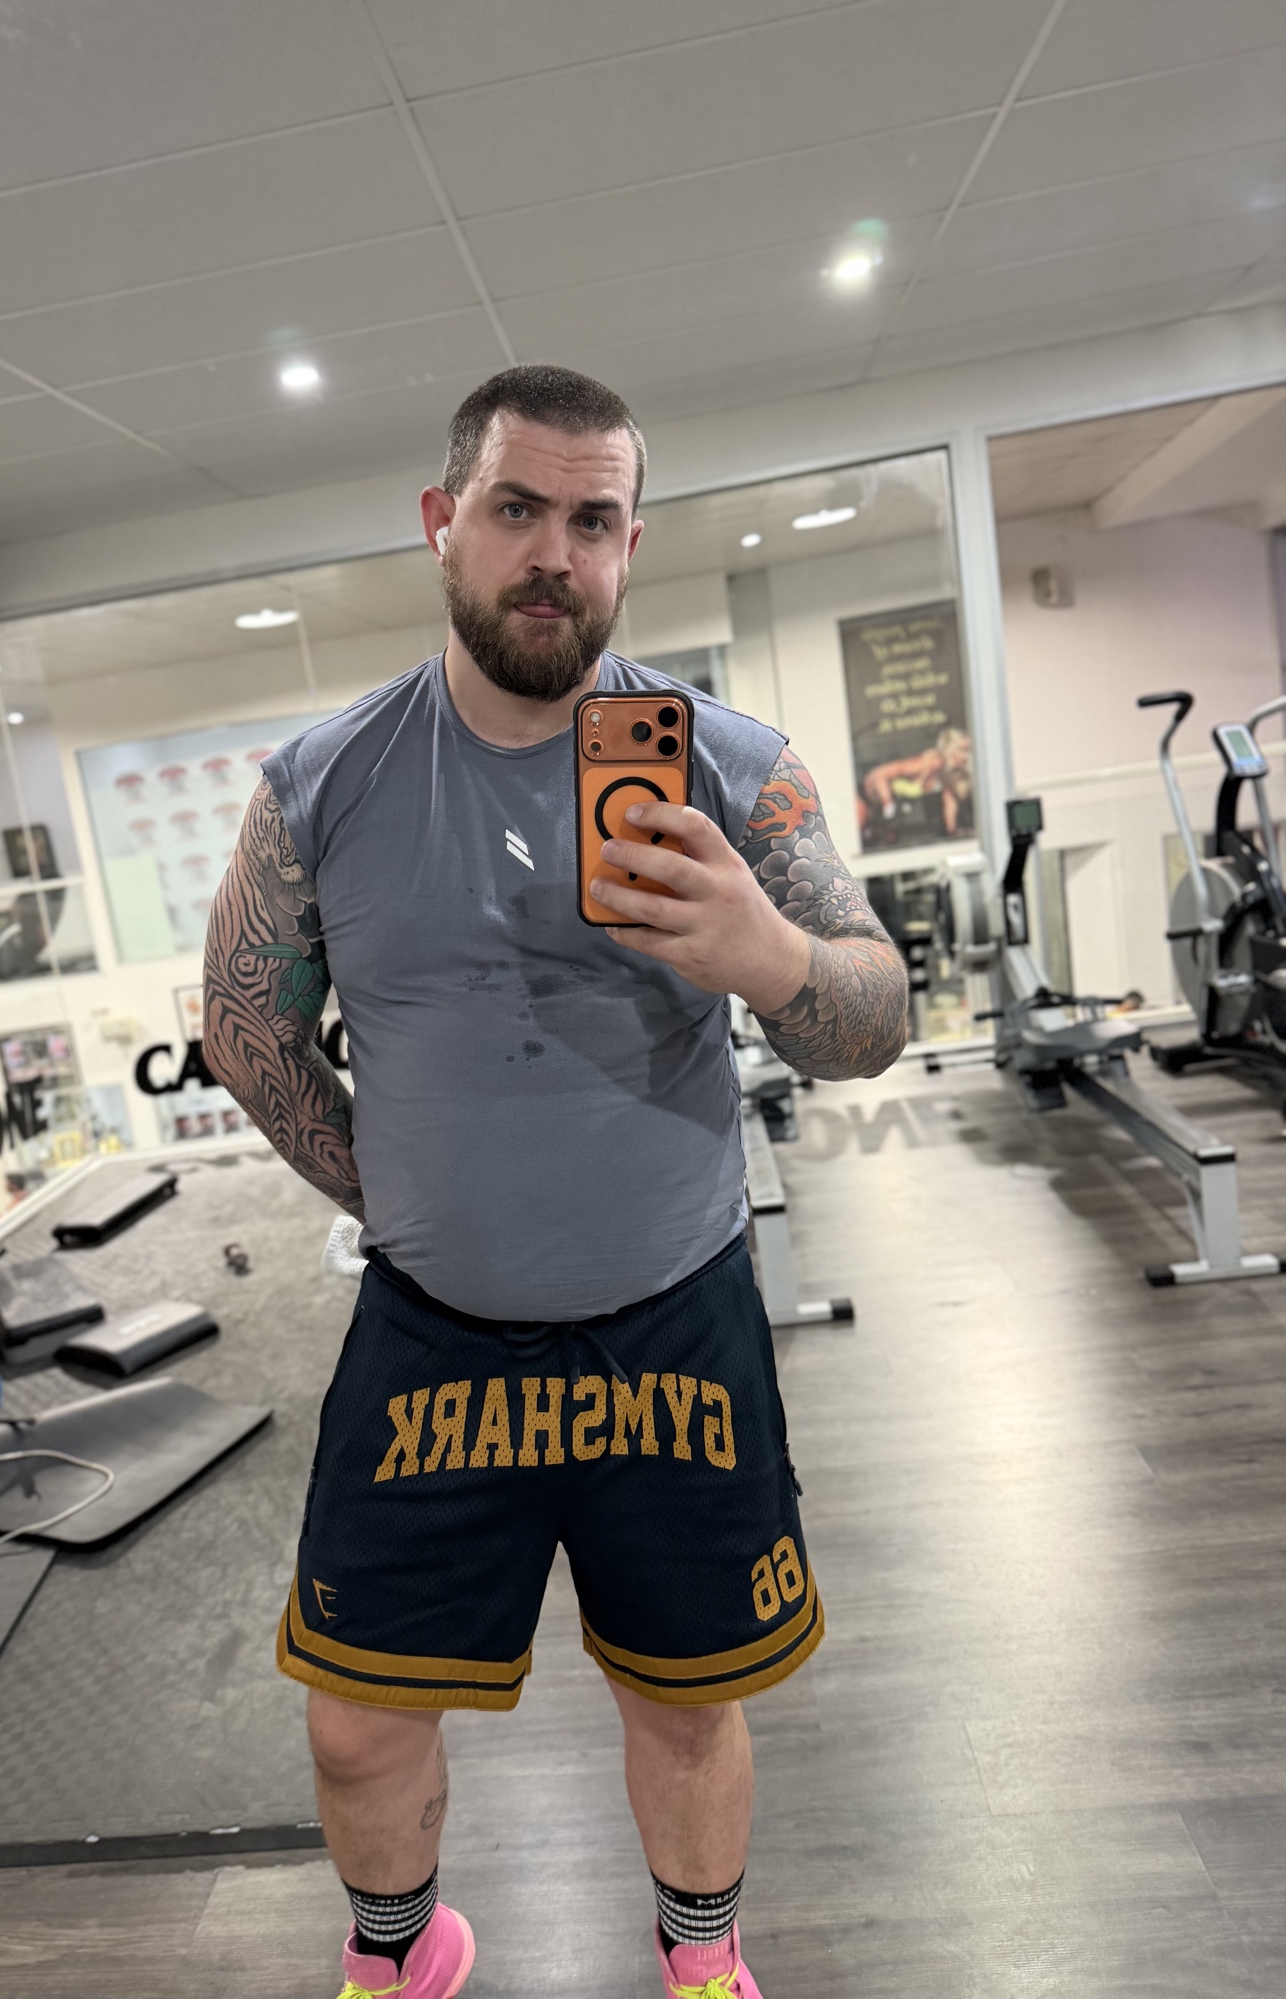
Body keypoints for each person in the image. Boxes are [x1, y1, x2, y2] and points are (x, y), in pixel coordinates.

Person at [204, 365, 909, 1999]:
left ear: (631, 545)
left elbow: (874, 1021)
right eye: (517, 508)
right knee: (357, 1722)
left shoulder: (730, 764)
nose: (554, 554)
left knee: (686, 1695)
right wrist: (398, 1192)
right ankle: (402, 1956)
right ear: (443, 522)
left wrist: (767, 953)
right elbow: (245, 1026)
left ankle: (703, 1962)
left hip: (676, 1316)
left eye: (594, 521)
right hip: (432, 1329)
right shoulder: (322, 781)